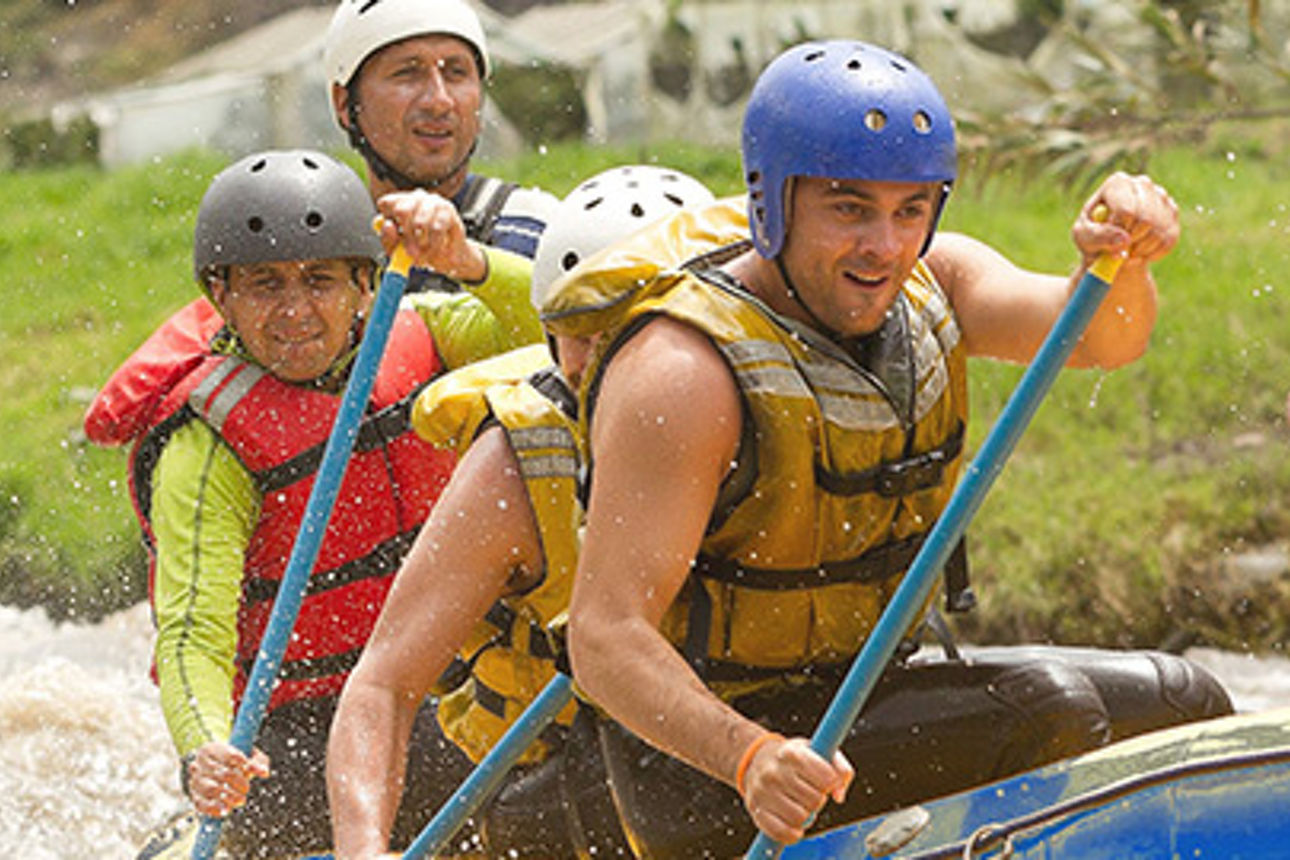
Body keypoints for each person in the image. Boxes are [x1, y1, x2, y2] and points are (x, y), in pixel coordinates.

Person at [544, 41, 1233, 857]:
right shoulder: (682, 372)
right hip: (704, 768)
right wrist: (751, 757)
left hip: (867, 699)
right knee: (1044, 710)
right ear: (772, 202)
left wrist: (1118, 259)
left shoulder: (937, 283)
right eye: (849, 208)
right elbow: (603, 637)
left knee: (1187, 705)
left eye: (911, 209)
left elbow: (1103, 336)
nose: (884, 245)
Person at [83, 149, 542, 859]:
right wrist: (206, 751)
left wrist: (467, 259)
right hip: (294, 737)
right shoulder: (205, 448)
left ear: (365, 284)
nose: (294, 311)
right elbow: (190, 634)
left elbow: (555, 334)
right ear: (222, 297)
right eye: (264, 285)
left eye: (320, 280)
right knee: (291, 804)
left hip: (441, 691)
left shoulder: (425, 331)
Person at [327, 165, 716, 860]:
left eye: (634, 330)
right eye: (580, 333)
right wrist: (364, 850)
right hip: (571, 784)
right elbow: (382, 685)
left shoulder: (774, 408)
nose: (603, 363)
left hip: (746, 746)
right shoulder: (514, 465)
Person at [323, 0, 558, 300]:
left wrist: (474, 265)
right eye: (407, 73)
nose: (439, 101)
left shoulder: (539, 232)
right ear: (344, 103)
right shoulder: (321, 249)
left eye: (456, 73)